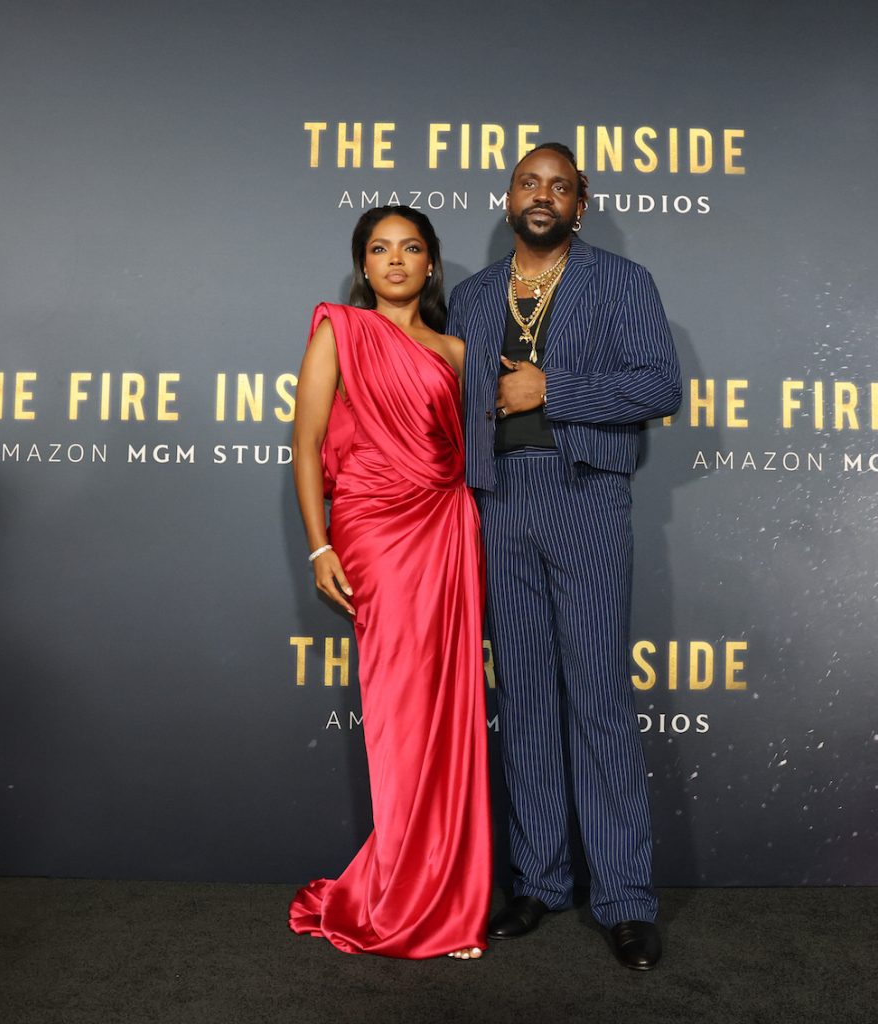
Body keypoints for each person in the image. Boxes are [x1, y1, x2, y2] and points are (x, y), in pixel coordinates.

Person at [446, 143, 682, 971]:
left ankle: (624, 898)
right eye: (528, 182)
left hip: (584, 497)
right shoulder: (471, 299)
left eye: (560, 186)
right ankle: (539, 881)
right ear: (507, 197)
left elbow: (661, 386)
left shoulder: (624, 283)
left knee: (599, 700)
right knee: (528, 701)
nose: (542, 196)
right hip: (496, 503)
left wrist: (554, 389)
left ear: (579, 206)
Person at [287, 205, 489, 961]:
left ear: (431, 264)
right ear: (363, 265)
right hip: (374, 528)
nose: (396, 260)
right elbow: (306, 445)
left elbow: (476, 447)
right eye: (381, 249)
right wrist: (318, 547)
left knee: (453, 713)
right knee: (403, 714)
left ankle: (449, 899)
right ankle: (405, 895)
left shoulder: (459, 351)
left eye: (411, 248)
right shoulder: (340, 330)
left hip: (447, 525)